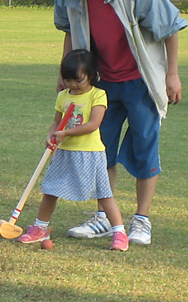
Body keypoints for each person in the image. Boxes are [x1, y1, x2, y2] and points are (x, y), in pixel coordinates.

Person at [54, 0, 188, 245]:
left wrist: (173, 74)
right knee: (101, 149)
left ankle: (141, 220)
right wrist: (64, 74)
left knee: (144, 148)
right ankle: (104, 218)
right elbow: (68, 32)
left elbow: (169, 28)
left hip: (142, 79)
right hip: (100, 82)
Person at [18, 49, 129, 251]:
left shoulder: (98, 95)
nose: (73, 85)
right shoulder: (63, 96)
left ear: (91, 75)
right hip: (64, 152)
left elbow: (93, 124)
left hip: (90, 153)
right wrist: (51, 135)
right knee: (50, 190)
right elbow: (57, 122)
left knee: (103, 194)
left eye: (78, 80)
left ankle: (120, 233)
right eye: (68, 80)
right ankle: (40, 227)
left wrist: (66, 134)